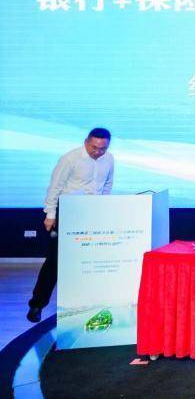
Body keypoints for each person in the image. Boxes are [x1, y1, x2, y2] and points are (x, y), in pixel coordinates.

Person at [27, 128, 114, 323]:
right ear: (86, 142)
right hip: (67, 212)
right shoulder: (70, 158)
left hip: (93, 214)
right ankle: (37, 305)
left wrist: (104, 207)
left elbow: (107, 185)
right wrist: (51, 214)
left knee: (90, 260)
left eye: (103, 148)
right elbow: (55, 187)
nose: (98, 152)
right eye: (94, 147)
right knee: (55, 261)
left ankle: (85, 306)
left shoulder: (109, 159)